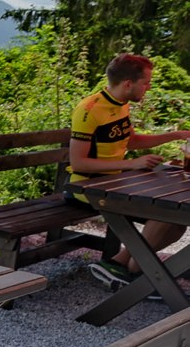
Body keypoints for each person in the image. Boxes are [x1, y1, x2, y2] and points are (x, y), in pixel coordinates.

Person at [70, 53, 190, 291]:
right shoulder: (89, 109)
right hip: (88, 186)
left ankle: (128, 266)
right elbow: (79, 163)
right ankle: (135, 270)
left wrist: (176, 135)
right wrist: (132, 164)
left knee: (177, 223)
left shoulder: (121, 104)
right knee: (163, 211)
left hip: (117, 181)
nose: (149, 87)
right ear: (128, 84)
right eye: (146, 83)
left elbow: (130, 141)